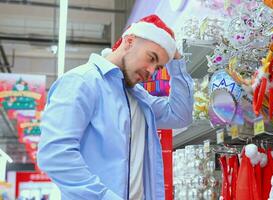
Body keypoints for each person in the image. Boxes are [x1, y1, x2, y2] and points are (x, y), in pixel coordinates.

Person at [37, 14, 194, 200]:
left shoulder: (138, 96)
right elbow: (55, 155)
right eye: (151, 58)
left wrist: (176, 61)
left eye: (158, 67)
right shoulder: (82, 82)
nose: (152, 71)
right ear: (129, 42)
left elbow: (180, 115)